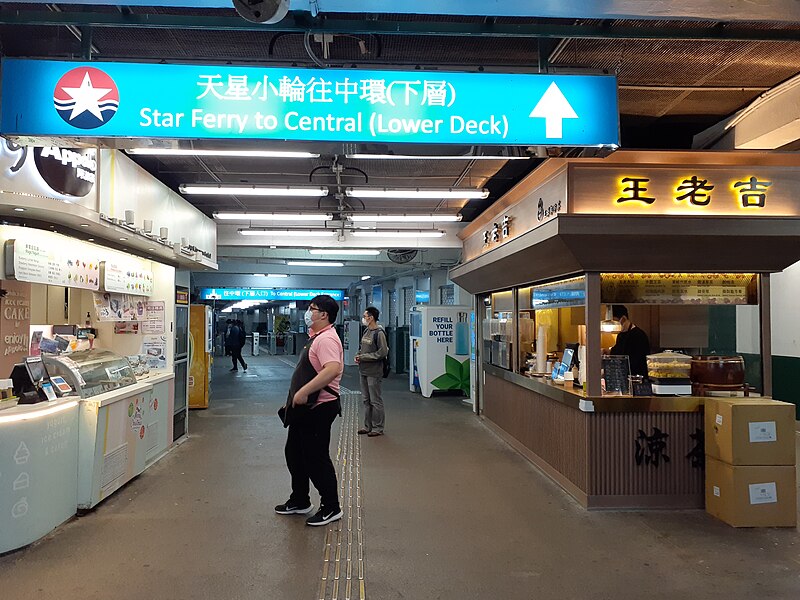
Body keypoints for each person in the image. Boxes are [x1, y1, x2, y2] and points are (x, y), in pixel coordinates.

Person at [275, 294, 344, 527]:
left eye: (312, 309)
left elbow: (332, 369)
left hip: (319, 407)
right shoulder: (316, 338)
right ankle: (300, 499)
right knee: (294, 453)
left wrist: (304, 391)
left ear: (323, 314)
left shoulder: (327, 340)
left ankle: (331, 506)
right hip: (305, 408)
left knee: (316, 458)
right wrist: (294, 398)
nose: (308, 312)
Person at [355, 306, 388, 437]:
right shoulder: (366, 331)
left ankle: (378, 427)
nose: (364, 318)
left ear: (371, 317)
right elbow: (361, 347)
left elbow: (382, 352)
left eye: (365, 316)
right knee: (366, 400)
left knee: (375, 400)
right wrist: (358, 355)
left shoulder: (379, 333)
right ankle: (367, 426)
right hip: (363, 370)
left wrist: (364, 357)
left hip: (374, 371)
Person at [606, 305, 650, 377]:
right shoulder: (621, 335)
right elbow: (618, 351)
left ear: (623, 319)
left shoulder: (638, 335)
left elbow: (635, 361)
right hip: (623, 376)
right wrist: (609, 351)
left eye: (615, 322)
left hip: (637, 377)